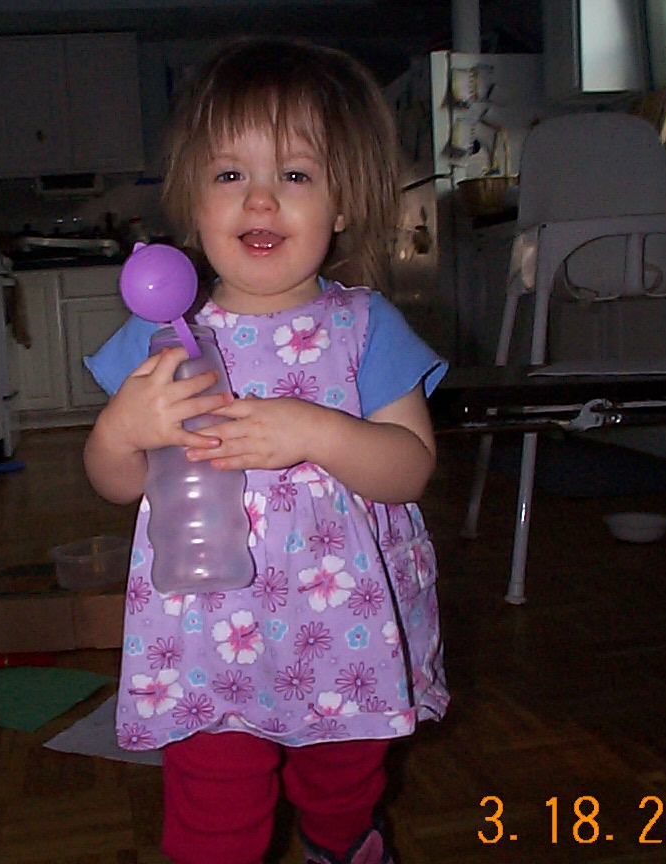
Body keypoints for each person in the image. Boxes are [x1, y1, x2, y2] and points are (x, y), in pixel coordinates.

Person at [83, 37, 448, 864]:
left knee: (343, 782)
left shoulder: (365, 327)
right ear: (193, 202)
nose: (259, 198)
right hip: (203, 630)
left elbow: (410, 467)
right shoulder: (161, 335)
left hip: (344, 627)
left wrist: (316, 431)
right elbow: (113, 482)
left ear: (342, 204)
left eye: (294, 174)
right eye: (228, 174)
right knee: (212, 812)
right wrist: (119, 432)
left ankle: (343, 843)